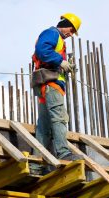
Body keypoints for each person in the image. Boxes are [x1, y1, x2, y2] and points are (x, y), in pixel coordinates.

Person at [30, 13, 83, 174]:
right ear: (65, 24)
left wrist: (65, 66)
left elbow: (47, 55)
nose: (71, 34)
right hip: (51, 84)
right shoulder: (53, 33)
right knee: (59, 117)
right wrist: (61, 62)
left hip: (46, 84)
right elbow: (42, 50)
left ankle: (36, 165)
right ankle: (63, 153)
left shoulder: (57, 39)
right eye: (71, 30)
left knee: (44, 127)